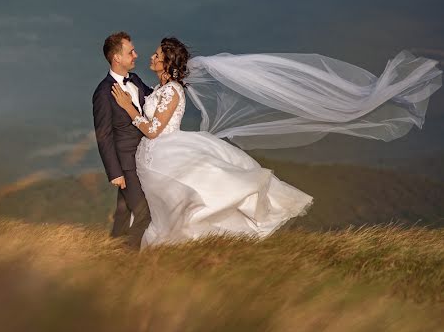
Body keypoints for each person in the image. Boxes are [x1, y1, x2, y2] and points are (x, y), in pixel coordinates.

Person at [110, 37, 442, 248]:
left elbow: (153, 130)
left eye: (155, 55)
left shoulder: (172, 90)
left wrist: (128, 108)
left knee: (185, 203)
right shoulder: (161, 89)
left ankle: (175, 249)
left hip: (164, 152)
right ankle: (168, 250)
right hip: (155, 156)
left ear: (167, 63)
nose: (150, 57)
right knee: (170, 207)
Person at [92, 32, 152, 246]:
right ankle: (128, 257)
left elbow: (154, 101)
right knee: (145, 214)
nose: (136, 55)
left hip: (145, 158)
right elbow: (104, 134)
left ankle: (112, 255)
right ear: (117, 58)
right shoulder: (103, 93)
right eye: (131, 52)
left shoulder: (135, 80)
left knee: (123, 214)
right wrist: (115, 173)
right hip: (127, 165)